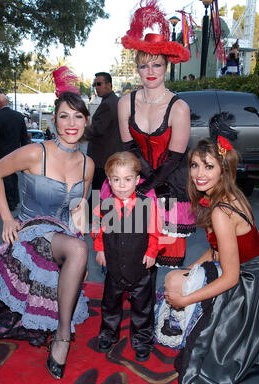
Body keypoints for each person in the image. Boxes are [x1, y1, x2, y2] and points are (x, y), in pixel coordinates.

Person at [0, 85, 95, 380]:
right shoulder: (34, 152)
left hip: (63, 236)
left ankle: (61, 329)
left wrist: (77, 259)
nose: (71, 124)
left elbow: (78, 211)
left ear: (86, 122)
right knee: (78, 250)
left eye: (78, 117)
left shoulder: (88, 165)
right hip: (30, 232)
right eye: (64, 116)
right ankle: (63, 336)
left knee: (79, 249)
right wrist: (6, 218)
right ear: (53, 120)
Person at [159, 112, 259, 384]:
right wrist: (191, 269)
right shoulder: (226, 196)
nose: (199, 173)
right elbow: (216, 250)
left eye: (208, 166)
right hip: (253, 270)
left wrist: (186, 298)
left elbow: (231, 277)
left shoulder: (221, 210)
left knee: (198, 374)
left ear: (224, 169)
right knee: (175, 277)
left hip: (250, 283)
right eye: (195, 165)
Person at [118, 0, 195, 267]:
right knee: (134, 259)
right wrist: (141, 187)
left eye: (157, 65)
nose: (150, 72)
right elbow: (130, 150)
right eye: (144, 66)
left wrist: (150, 187)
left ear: (166, 66)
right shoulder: (125, 103)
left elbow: (174, 159)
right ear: (137, 68)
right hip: (136, 184)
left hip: (171, 190)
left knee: (163, 261)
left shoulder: (179, 107)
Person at [91, 151, 160, 362]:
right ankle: (108, 334)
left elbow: (156, 233)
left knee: (143, 307)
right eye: (116, 180)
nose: (122, 185)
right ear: (109, 181)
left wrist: (151, 253)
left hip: (140, 267)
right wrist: (100, 249)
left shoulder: (147, 205)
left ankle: (142, 340)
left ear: (137, 180)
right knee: (110, 303)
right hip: (113, 267)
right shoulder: (103, 206)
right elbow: (99, 232)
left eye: (127, 179)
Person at [0, 94, 29, 210]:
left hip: (3, 153)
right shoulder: (19, 116)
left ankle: (11, 202)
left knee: (6, 176)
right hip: (17, 153)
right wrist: (26, 152)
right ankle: (15, 199)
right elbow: (24, 137)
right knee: (13, 175)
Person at [85, 72, 123, 191]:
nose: (96, 87)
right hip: (108, 159)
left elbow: (98, 130)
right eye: (94, 84)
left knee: (98, 196)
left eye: (99, 84)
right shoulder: (114, 101)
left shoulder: (108, 104)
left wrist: (82, 128)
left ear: (109, 85)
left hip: (102, 160)